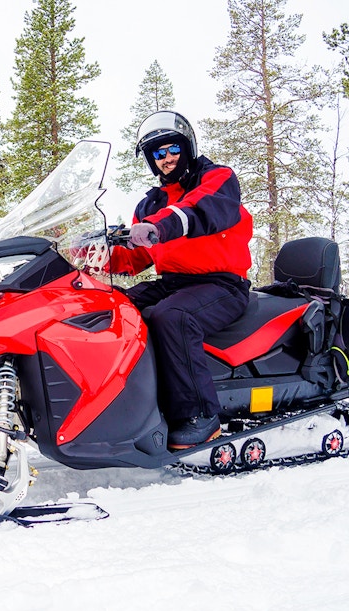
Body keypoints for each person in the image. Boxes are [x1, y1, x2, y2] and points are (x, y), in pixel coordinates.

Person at [109, 110, 253, 449]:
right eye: (158, 154)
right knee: (113, 306)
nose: (167, 159)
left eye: (173, 149)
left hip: (221, 284)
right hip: (173, 282)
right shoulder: (151, 203)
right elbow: (135, 256)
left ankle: (200, 416)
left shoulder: (216, 180)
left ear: (187, 147)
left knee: (172, 317)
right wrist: (94, 253)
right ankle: (123, 406)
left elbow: (197, 211)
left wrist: (159, 227)